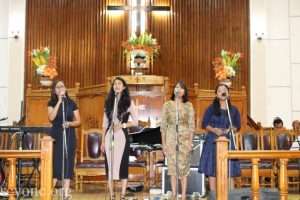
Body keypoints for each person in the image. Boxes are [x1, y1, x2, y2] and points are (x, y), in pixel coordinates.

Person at [100, 77, 138, 200]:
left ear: (124, 87)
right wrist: (102, 142)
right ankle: (112, 195)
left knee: (122, 166)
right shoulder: (108, 102)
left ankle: (122, 195)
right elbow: (104, 123)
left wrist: (122, 125)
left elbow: (136, 122)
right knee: (109, 166)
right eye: (114, 84)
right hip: (108, 136)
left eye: (119, 84)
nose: (116, 86)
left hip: (121, 136)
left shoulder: (129, 102)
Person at [198, 84, 241, 191]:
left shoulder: (234, 110)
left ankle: (230, 195)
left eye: (224, 90)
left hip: (228, 140)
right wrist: (214, 130)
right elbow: (204, 124)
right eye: (219, 91)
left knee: (229, 168)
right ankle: (213, 194)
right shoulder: (211, 108)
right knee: (213, 168)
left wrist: (230, 129)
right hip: (213, 139)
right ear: (216, 95)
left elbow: (237, 125)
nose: (222, 92)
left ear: (228, 93)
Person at [161, 81, 195, 200]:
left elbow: (191, 126)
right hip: (170, 138)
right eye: (176, 87)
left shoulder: (189, 105)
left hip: (185, 139)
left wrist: (191, 142)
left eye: (181, 88)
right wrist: (164, 143)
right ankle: (174, 195)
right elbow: (163, 126)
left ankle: (184, 195)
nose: (178, 89)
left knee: (184, 168)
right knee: (172, 168)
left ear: (184, 92)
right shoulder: (167, 105)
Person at [47, 80, 81, 199]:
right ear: (54, 90)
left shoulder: (71, 103)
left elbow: (78, 121)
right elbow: (51, 117)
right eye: (57, 87)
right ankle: (48, 193)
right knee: (56, 165)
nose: (60, 88)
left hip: (69, 135)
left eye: (62, 86)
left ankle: (66, 195)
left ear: (65, 89)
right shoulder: (51, 103)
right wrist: (59, 102)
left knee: (67, 164)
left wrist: (70, 123)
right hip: (56, 137)